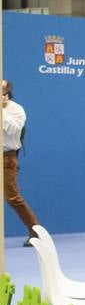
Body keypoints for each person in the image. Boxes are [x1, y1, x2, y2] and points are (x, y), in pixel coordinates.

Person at [1, 80, 39, 245]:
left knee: (12, 197)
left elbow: (13, 130)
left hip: (7, 157)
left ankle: (35, 231)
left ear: (7, 95)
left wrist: (2, 111)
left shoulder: (16, 110)